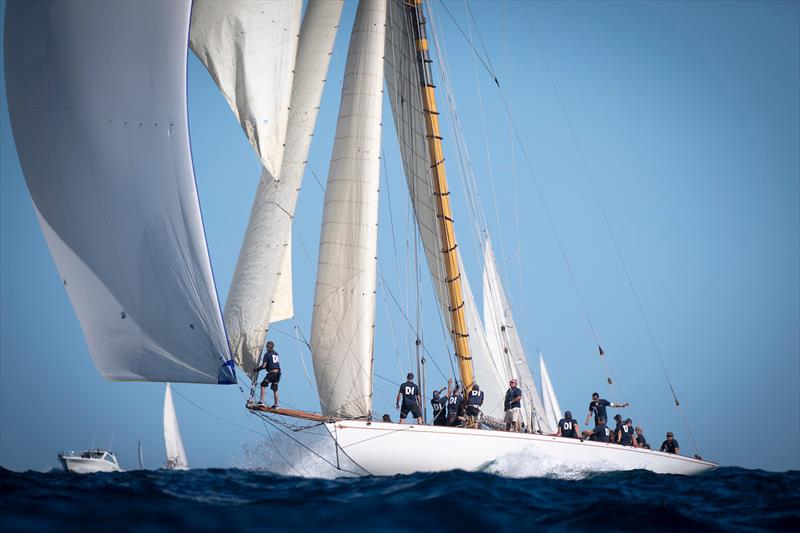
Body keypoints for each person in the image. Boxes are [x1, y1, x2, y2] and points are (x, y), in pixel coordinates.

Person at [253, 341, 281, 408]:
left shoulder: (267, 354)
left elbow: (264, 366)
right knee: (275, 389)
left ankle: (261, 402)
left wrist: (257, 369)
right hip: (278, 373)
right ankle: (276, 405)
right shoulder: (276, 354)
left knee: (263, 385)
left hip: (272, 373)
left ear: (267, 347)